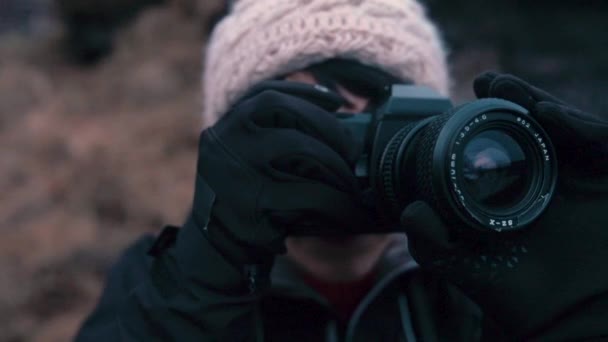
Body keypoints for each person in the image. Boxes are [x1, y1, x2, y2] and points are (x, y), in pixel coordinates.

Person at [75, 0, 608, 341]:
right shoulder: (168, 280)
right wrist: (208, 263)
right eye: (304, 120)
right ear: (231, 149)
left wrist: (587, 298)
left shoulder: (486, 289)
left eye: (384, 113)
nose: (349, 152)